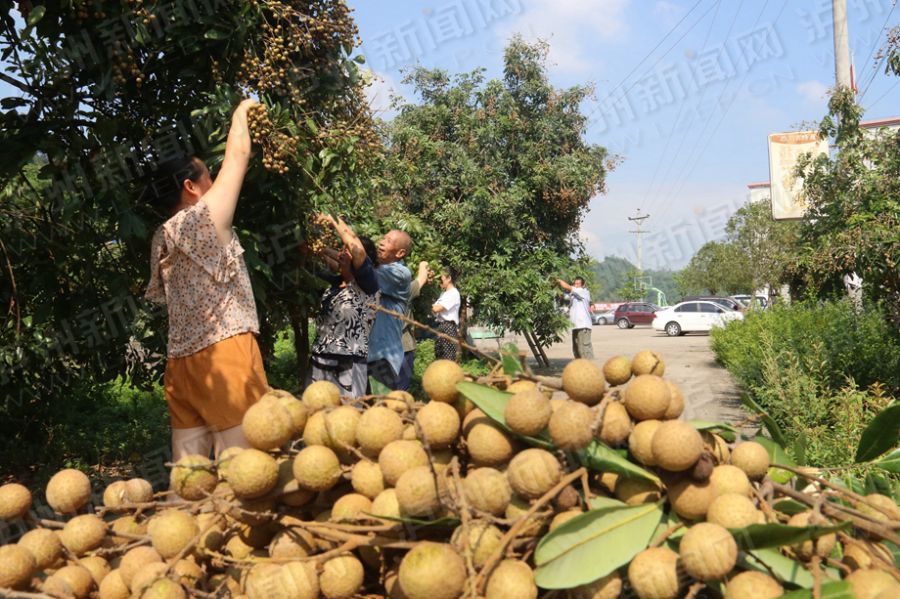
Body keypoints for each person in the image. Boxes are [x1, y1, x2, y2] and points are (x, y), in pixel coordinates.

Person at [145, 99, 267, 462]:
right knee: (246, 469)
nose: (214, 182)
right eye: (206, 176)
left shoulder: (162, 237)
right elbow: (238, 154)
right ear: (190, 186)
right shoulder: (204, 218)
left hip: (181, 365)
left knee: (189, 476)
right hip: (224, 354)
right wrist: (242, 111)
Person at [308, 213, 379, 398]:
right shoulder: (336, 282)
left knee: (349, 417)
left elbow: (357, 250)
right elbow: (323, 253)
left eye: (345, 250)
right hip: (320, 359)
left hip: (349, 363)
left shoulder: (368, 284)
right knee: (318, 415)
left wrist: (333, 219)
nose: (341, 253)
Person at [367, 230, 413, 390]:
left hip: (382, 359)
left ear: (400, 252)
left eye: (388, 241)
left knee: (382, 411)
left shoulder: (400, 274)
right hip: (366, 354)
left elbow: (360, 269)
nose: (381, 242)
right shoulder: (377, 269)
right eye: (383, 238)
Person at [398, 260, 432, 391]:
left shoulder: (378, 290)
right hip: (403, 347)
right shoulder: (404, 292)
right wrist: (424, 264)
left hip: (382, 348)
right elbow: (422, 277)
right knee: (401, 390)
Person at [558, 276, 593, 359]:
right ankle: (579, 367)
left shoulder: (583, 292)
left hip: (583, 325)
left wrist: (558, 280)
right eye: (575, 284)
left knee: (584, 349)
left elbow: (568, 287)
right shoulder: (573, 295)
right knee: (576, 349)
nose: (576, 285)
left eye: (578, 284)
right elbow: (562, 296)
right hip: (575, 325)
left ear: (583, 285)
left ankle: (590, 368)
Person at [432, 266, 462, 361]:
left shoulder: (453, 293)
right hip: (441, 326)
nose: (440, 282)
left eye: (442, 279)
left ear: (449, 278)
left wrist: (432, 306)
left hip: (448, 328)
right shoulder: (444, 294)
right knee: (439, 357)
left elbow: (437, 308)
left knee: (447, 358)